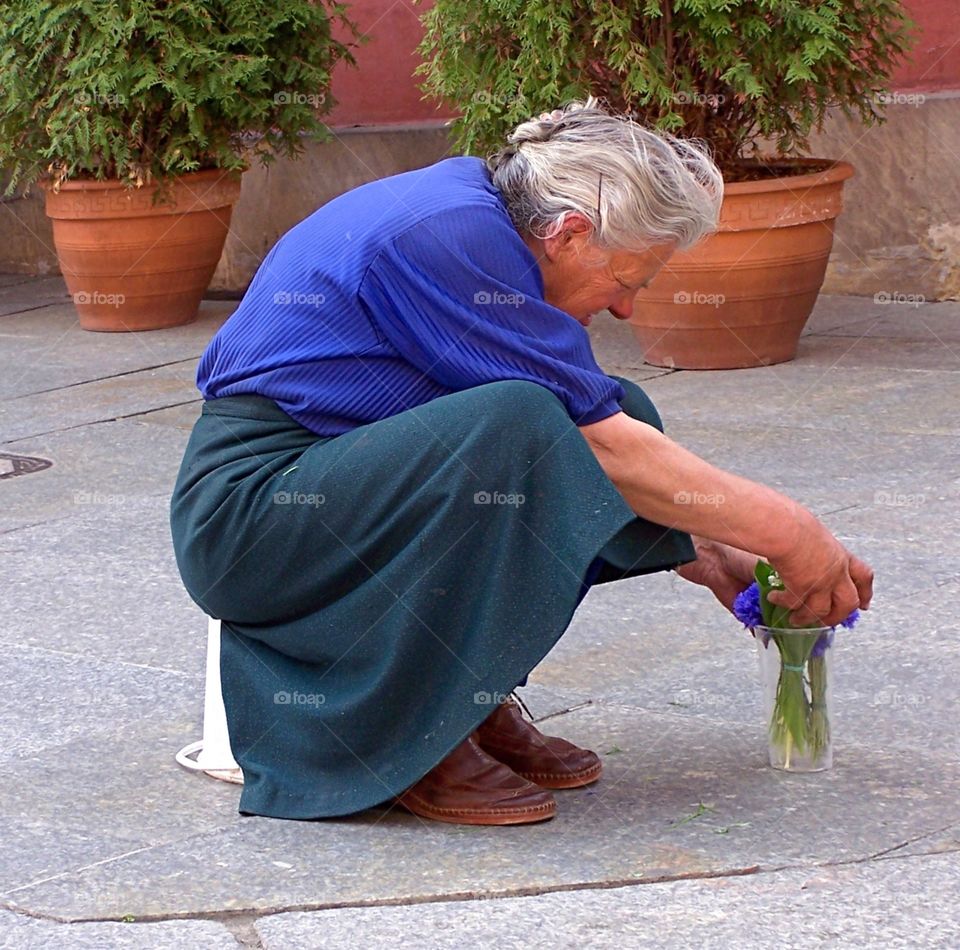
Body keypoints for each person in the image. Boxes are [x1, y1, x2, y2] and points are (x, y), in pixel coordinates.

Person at [170, 100, 873, 827]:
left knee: (614, 407)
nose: (628, 309)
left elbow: (606, 425)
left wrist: (708, 548)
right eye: (628, 280)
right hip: (253, 515)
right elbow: (595, 444)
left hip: (333, 480)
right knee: (523, 425)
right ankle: (409, 727)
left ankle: (468, 696)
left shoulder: (484, 219)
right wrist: (793, 535)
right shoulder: (449, 236)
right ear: (570, 235)